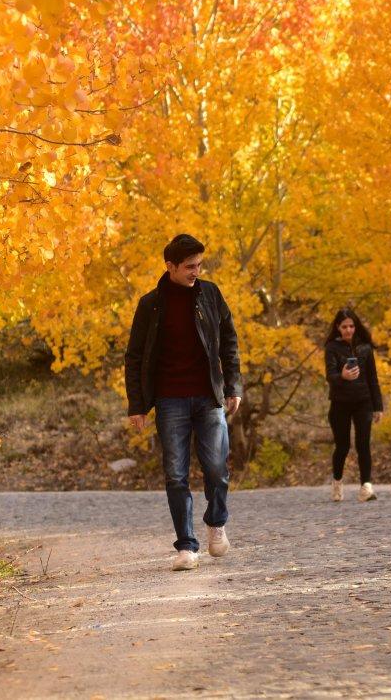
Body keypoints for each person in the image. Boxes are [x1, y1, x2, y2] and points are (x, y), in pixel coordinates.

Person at [124, 234, 243, 571]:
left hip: (209, 397)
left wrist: (233, 385)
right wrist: (137, 405)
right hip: (170, 400)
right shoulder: (151, 305)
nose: (196, 271)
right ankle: (187, 546)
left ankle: (216, 522)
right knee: (175, 475)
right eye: (190, 266)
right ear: (170, 266)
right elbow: (134, 357)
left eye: (199, 265)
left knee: (217, 468)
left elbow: (229, 342)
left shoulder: (211, 294)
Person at [323, 308, 384, 503]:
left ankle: (366, 486)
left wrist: (378, 407)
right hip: (340, 403)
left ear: (355, 327)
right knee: (342, 446)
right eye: (344, 327)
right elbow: (330, 376)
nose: (348, 330)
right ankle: (337, 483)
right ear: (338, 328)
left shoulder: (365, 348)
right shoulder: (332, 348)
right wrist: (342, 376)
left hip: (363, 402)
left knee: (363, 444)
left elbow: (373, 378)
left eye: (351, 326)